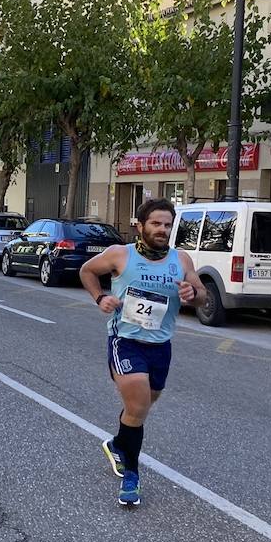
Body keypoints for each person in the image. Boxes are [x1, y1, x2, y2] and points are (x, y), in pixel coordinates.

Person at [79, 198, 202, 507]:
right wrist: (100, 297)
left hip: (160, 346)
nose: (162, 230)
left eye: (167, 225)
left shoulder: (181, 259)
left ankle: (118, 443)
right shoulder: (120, 254)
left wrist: (193, 293)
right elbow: (87, 271)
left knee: (143, 407)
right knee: (138, 404)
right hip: (125, 340)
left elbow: (201, 295)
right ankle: (131, 476)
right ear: (140, 226)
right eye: (156, 224)